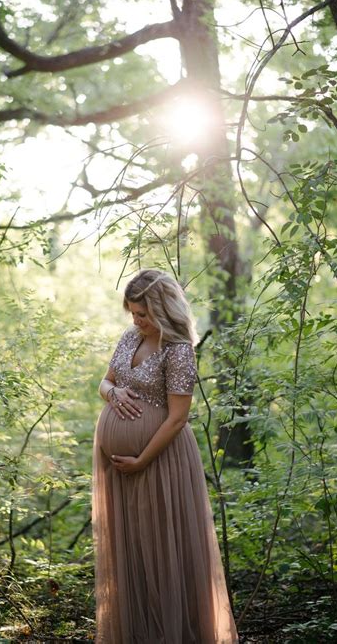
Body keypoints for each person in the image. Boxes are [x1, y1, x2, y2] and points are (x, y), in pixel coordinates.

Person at [92, 269, 238, 643]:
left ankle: (173, 632)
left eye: (142, 314)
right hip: (119, 468)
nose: (137, 321)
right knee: (133, 548)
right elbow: (104, 381)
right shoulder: (129, 338)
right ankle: (139, 632)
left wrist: (142, 459)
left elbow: (177, 419)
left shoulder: (178, 350)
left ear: (163, 308)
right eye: (133, 314)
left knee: (163, 546)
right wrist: (113, 394)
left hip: (161, 463)